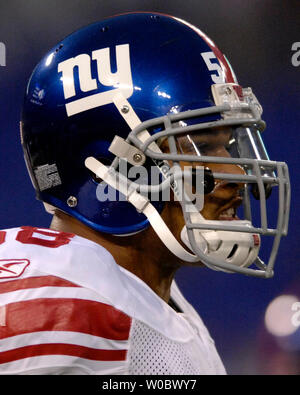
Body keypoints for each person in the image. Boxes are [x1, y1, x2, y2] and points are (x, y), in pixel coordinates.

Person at [0, 12, 290, 375]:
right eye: (200, 146)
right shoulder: (60, 299)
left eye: (227, 145)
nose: (237, 174)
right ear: (114, 166)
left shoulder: (155, 299)